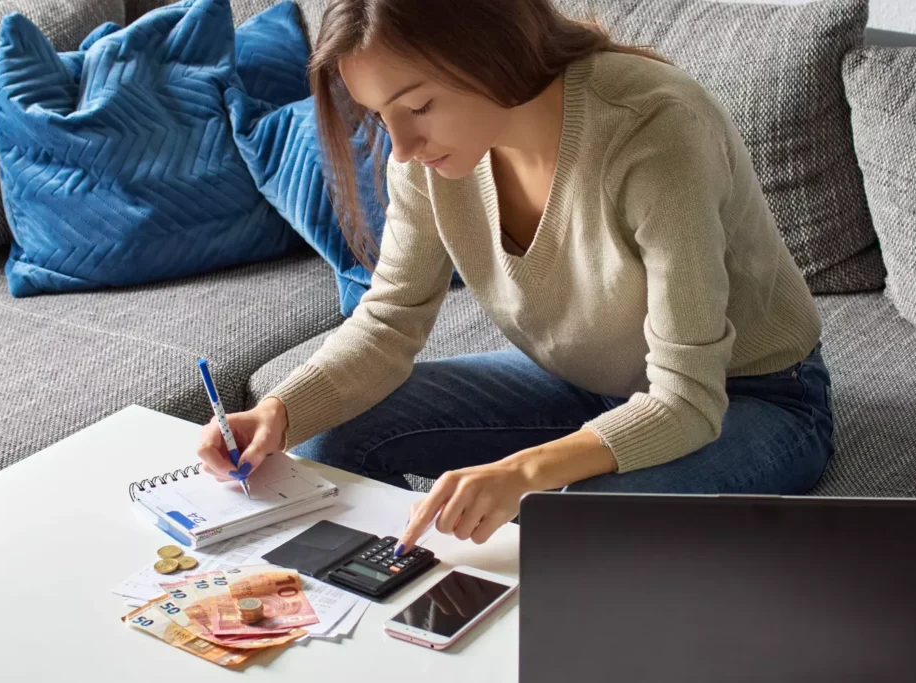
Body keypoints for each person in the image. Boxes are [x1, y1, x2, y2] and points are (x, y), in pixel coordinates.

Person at [197, 0, 834, 556]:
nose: (403, 146)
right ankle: (386, 615)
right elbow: (389, 320)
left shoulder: (653, 129)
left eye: (419, 105)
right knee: (329, 429)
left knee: (570, 525)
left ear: (490, 52)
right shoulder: (424, 159)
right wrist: (280, 409)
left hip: (746, 396)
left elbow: (687, 401)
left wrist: (524, 471)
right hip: (586, 383)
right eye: (379, 115)